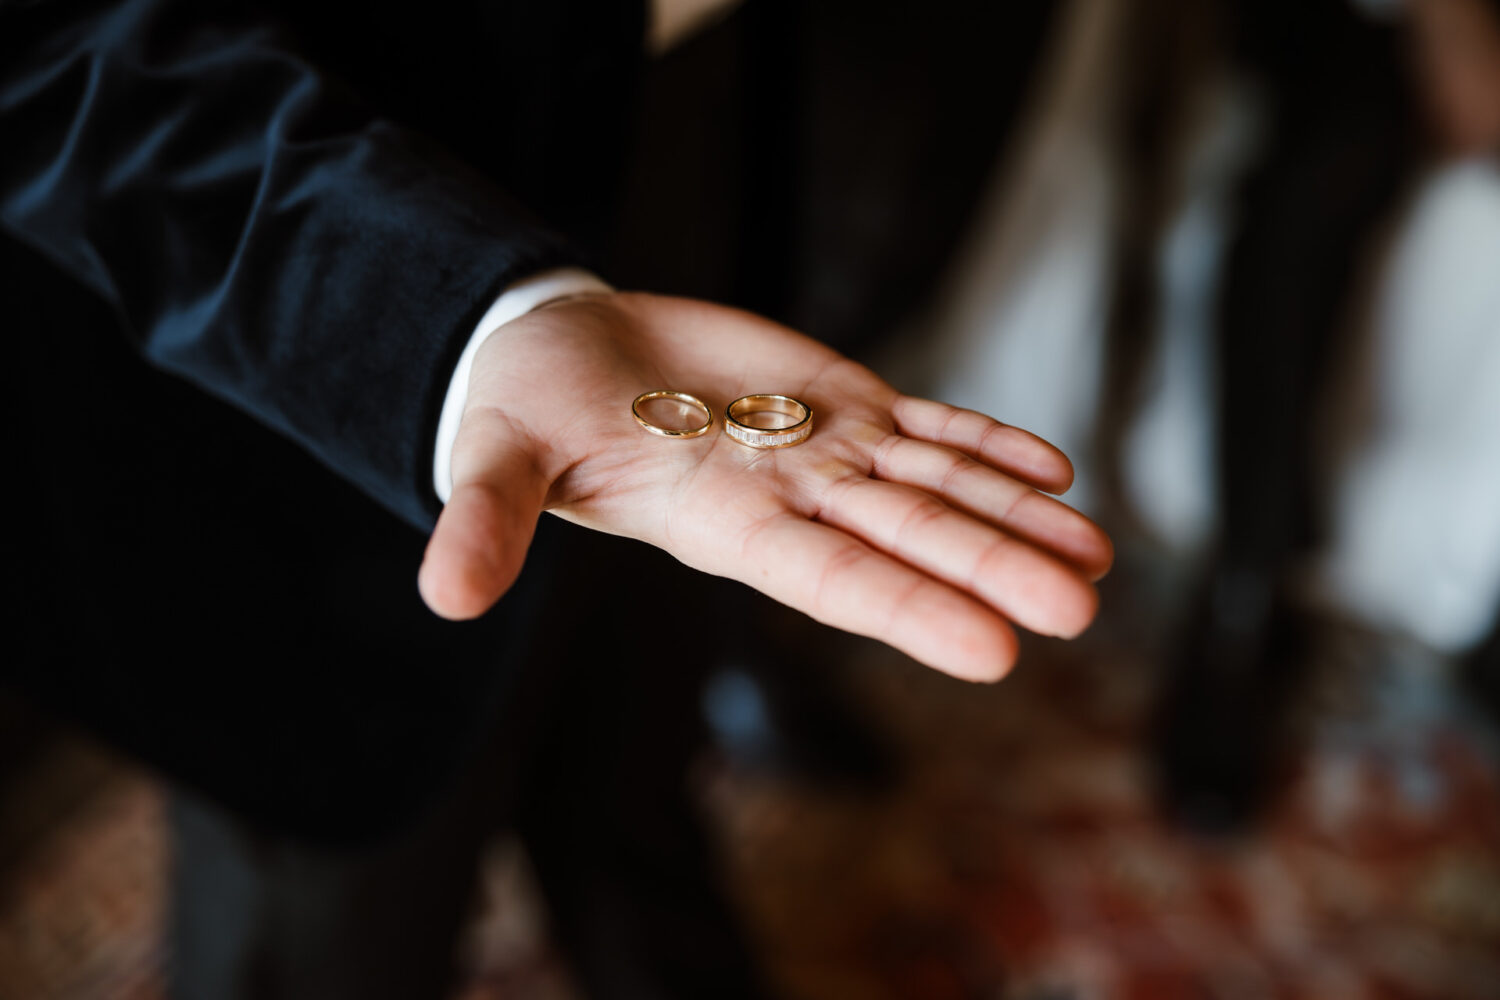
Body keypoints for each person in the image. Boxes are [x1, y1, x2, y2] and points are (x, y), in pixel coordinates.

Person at [1, 0, 1109, 996]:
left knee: (635, 734)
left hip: (676, 132)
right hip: (307, 286)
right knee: (339, 908)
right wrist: (470, 329)